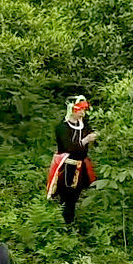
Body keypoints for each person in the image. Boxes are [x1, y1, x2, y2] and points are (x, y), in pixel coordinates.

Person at [46, 95, 98, 226]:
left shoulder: (84, 125)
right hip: (67, 166)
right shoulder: (62, 128)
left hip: (81, 166)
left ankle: (70, 221)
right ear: (74, 110)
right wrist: (85, 140)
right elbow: (68, 147)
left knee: (76, 194)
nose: (83, 113)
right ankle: (64, 223)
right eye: (81, 109)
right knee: (66, 195)